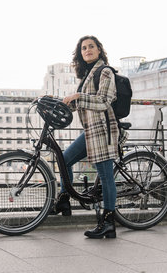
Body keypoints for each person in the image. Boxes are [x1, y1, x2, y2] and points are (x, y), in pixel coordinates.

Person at [50, 35, 125, 239]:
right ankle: (65, 198)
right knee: (64, 160)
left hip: (103, 130)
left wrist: (78, 96)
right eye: (84, 48)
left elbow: (103, 101)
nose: (87, 50)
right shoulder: (88, 76)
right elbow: (81, 103)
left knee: (106, 176)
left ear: (99, 50)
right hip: (90, 131)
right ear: (80, 54)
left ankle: (108, 223)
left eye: (91, 46)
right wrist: (61, 102)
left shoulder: (105, 71)